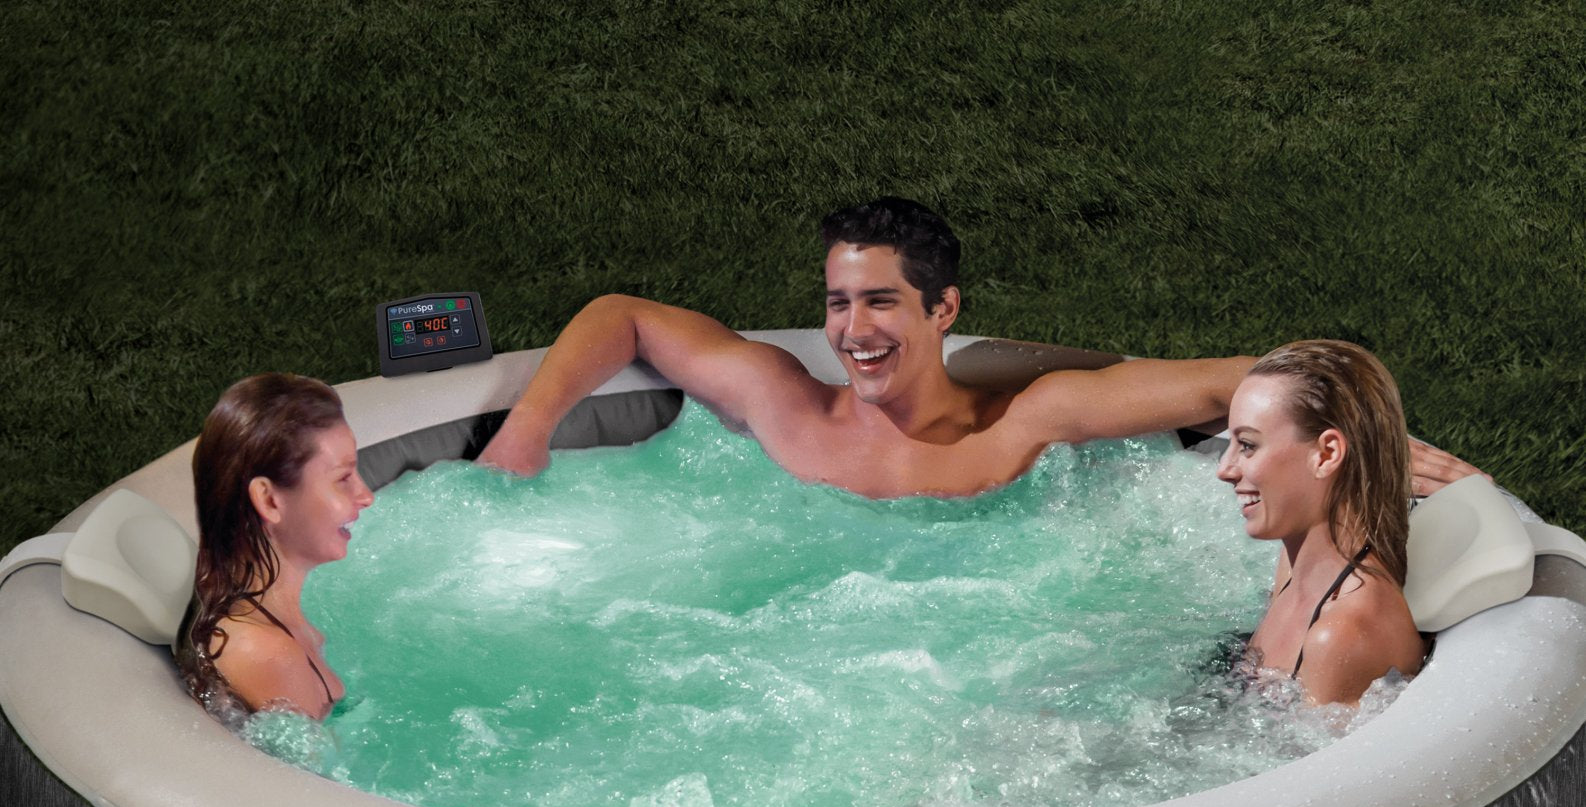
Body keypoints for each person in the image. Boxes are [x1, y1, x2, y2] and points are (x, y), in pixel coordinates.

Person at [478, 196, 1475, 499]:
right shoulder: (780, 402)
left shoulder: (1021, 426)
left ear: (941, 310)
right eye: (835, 304)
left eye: (879, 304)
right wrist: (524, 436)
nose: (850, 332)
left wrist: (1357, 433)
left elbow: (1250, 377)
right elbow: (623, 314)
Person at [1215, 340, 1427, 706]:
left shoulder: (1342, 634)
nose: (1224, 469)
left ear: (1326, 454)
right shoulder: (1297, 564)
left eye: (1247, 445)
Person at [177, 373, 374, 721]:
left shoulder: (262, 604)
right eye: (343, 478)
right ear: (269, 500)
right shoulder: (268, 653)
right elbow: (318, 774)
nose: (366, 496)